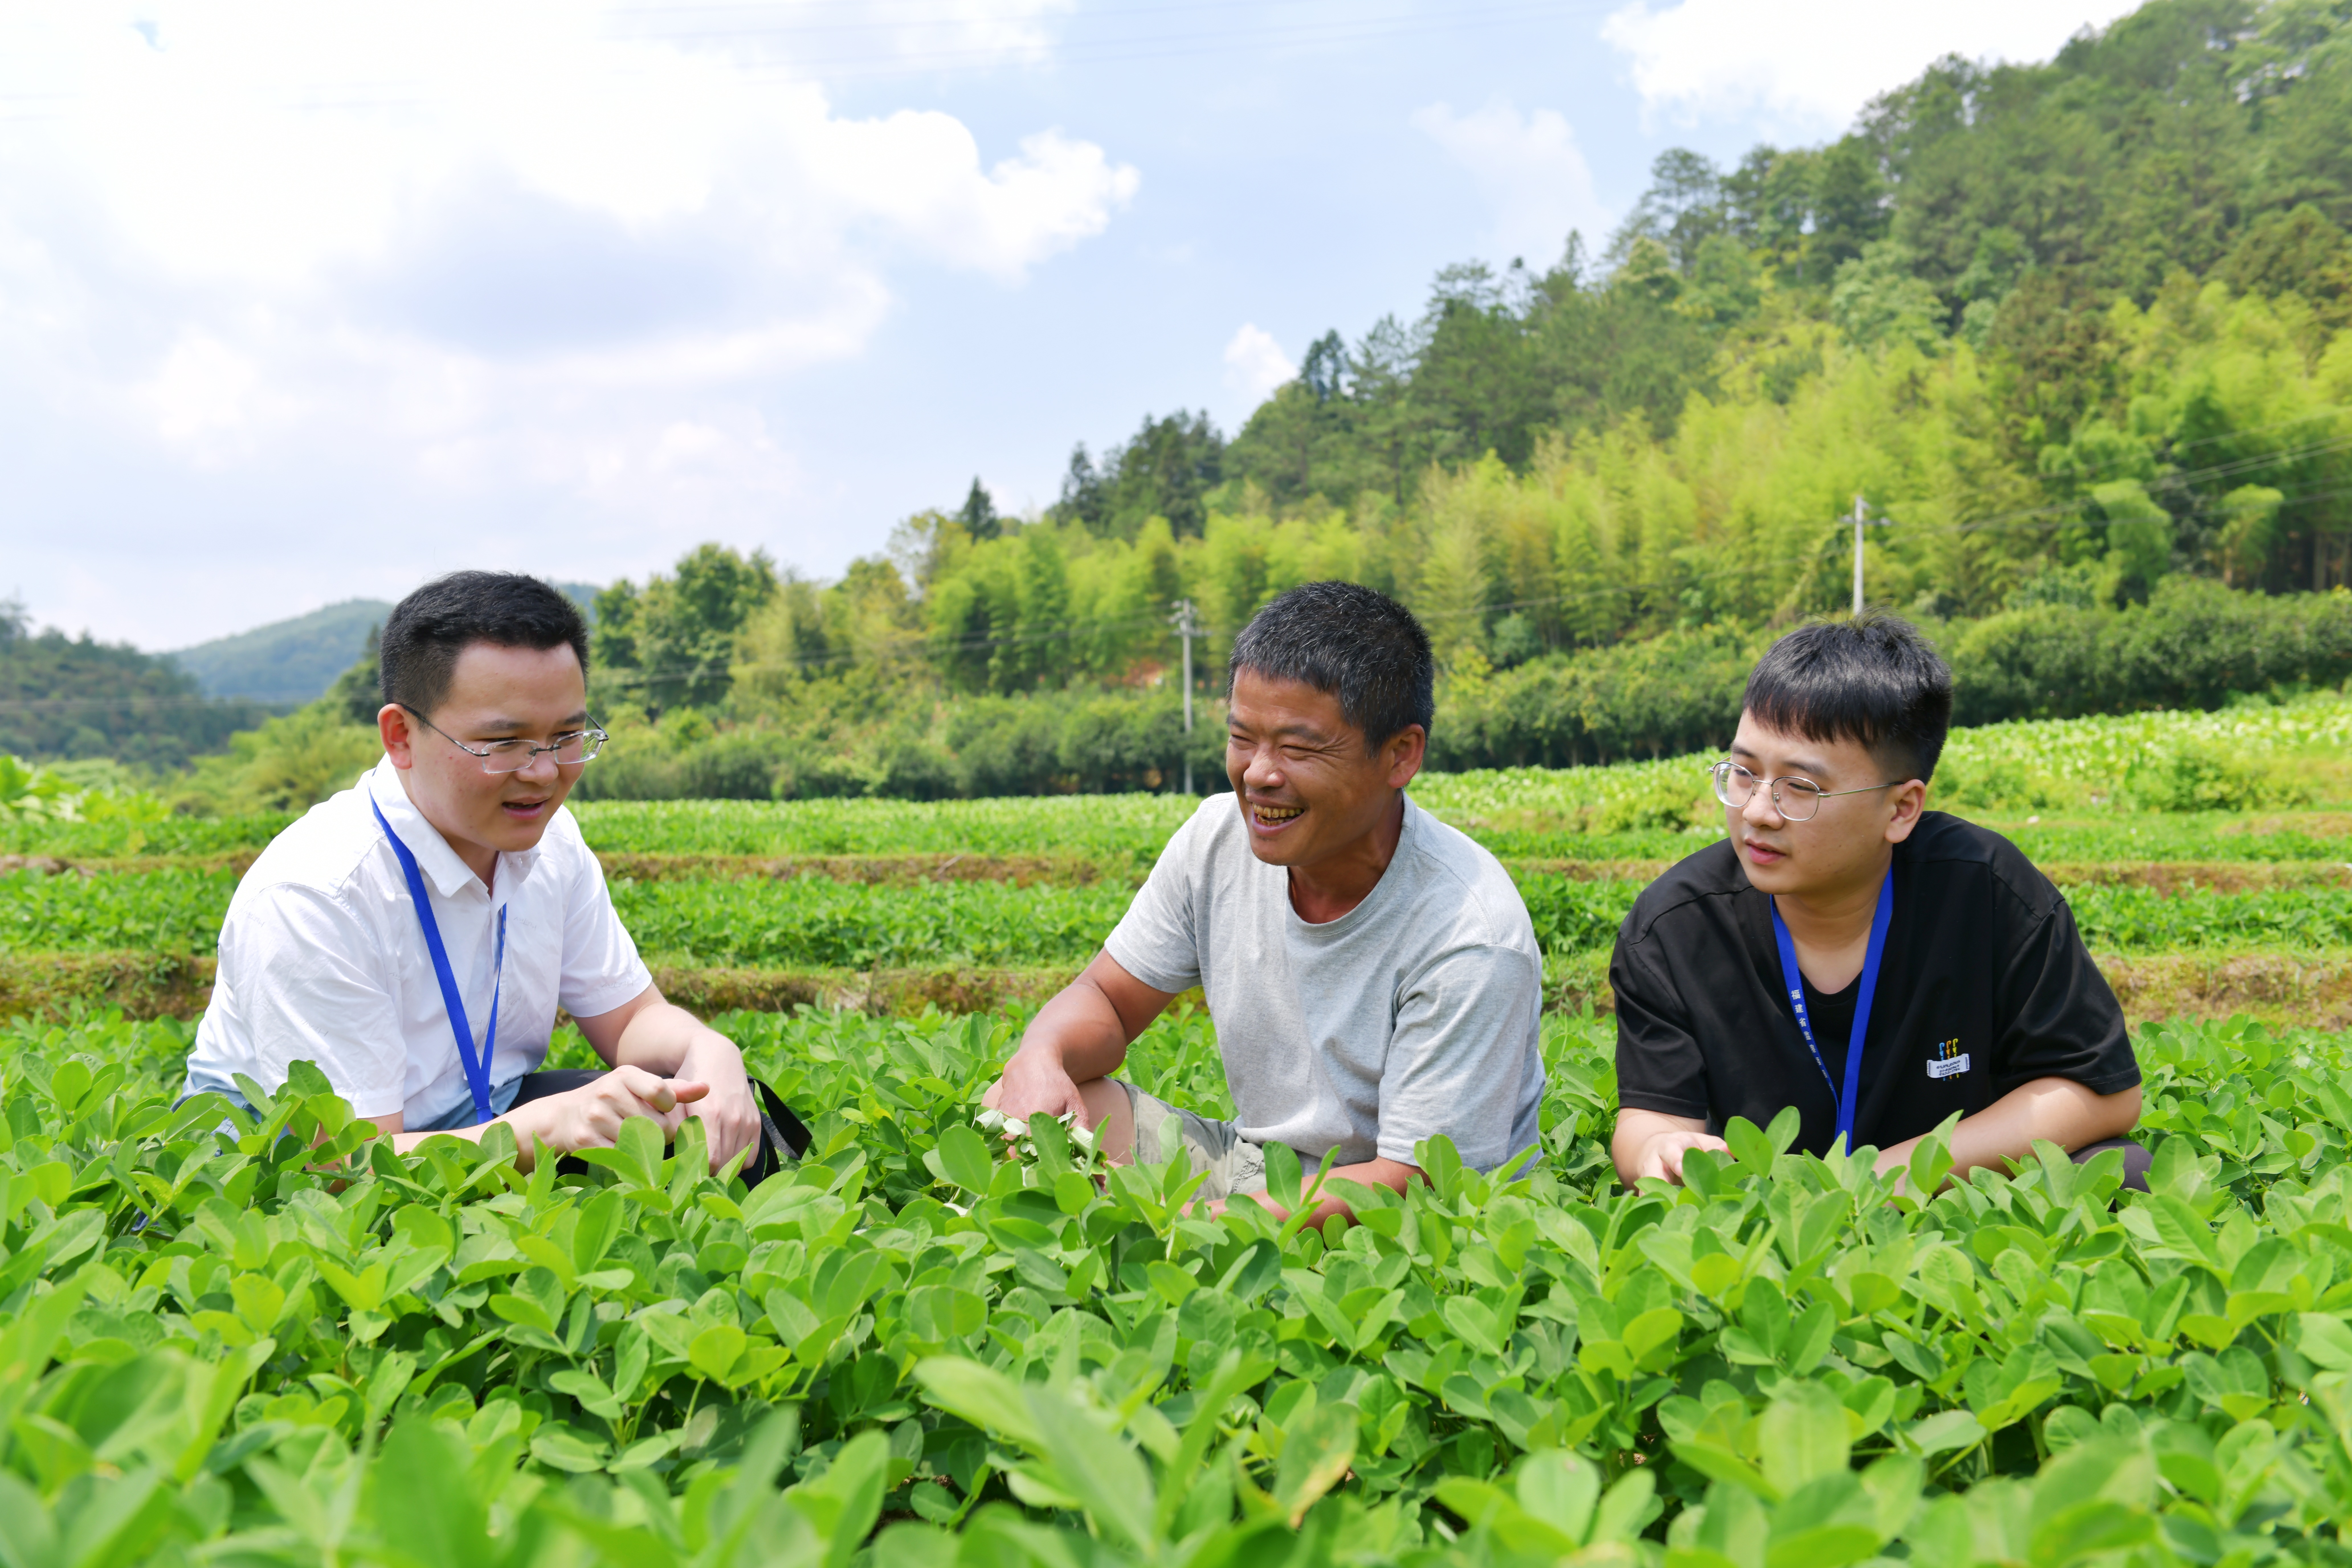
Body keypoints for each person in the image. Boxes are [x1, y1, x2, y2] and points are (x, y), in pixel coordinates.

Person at [984, 581, 1546, 1226]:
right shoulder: (1215, 840)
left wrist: (1190, 1224)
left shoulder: (1469, 932)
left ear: (1400, 755)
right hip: (1259, 1166)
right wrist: (1039, 1056)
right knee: (1024, 1107)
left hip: (1407, 1213)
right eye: (1243, 737)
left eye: (1299, 747)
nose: (1258, 774)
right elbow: (1109, 1000)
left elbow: (1419, 1181)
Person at [183, 571, 763, 1173]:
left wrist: (708, 1048)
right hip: (280, 1166)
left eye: (567, 736)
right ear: (400, 736)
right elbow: (342, 1169)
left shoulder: (551, 841)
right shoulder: (317, 894)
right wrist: (547, 1126)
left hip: (484, 1117)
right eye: (503, 743)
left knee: (716, 1132)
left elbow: (633, 1017)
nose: (543, 773)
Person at [1609, 612, 2145, 1192]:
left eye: (1800, 788)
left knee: (2127, 1172)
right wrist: (1659, 1148)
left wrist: (1887, 1178)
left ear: (1901, 810)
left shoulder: (1985, 891)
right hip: (1768, 1223)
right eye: (1743, 772)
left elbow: (2099, 1092)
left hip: (1953, 1197)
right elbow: (1651, 1118)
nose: (1758, 811)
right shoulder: (1674, 927)